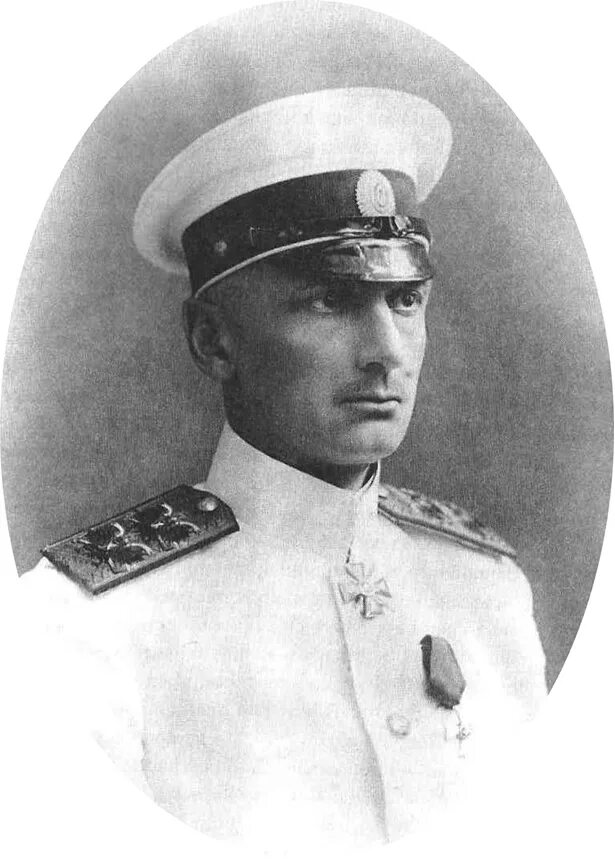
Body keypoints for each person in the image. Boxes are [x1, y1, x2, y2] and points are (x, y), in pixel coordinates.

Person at [18, 87, 547, 847]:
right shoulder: (82, 625)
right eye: (330, 302)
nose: (386, 352)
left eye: (404, 299)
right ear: (213, 340)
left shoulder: (484, 587)